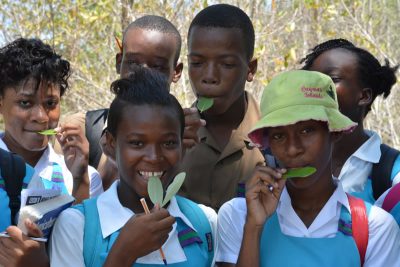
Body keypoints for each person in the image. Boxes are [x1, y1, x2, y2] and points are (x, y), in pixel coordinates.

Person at [216, 70, 400, 267]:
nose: (293, 149)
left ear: (334, 132)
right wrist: (254, 227)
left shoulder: (373, 226)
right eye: (279, 136)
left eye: (307, 130)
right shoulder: (239, 214)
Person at [49, 66, 217, 267]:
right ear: (111, 144)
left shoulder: (203, 222)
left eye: (169, 143)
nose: (154, 157)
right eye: (137, 143)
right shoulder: (77, 226)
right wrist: (123, 253)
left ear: (183, 144)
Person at [55, 15, 204, 191]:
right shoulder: (80, 131)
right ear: (119, 62)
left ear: (176, 72)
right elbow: (65, 208)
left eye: (157, 66)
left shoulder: (192, 133)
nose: (143, 75)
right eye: (133, 63)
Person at [0, 38, 101, 267]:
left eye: (50, 103)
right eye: (25, 103)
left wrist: (80, 180)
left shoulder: (83, 176)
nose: (42, 116)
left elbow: (88, 255)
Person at [178, 4, 264, 211]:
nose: (209, 77)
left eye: (226, 64)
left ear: (250, 69)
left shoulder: (275, 137)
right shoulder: (172, 137)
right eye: (197, 63)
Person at [301, 38, 400, 204]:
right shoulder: (284, 159)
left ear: (364, 96)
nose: (316, 89)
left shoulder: (391, 174)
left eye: (332, 79)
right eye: (312, 80)